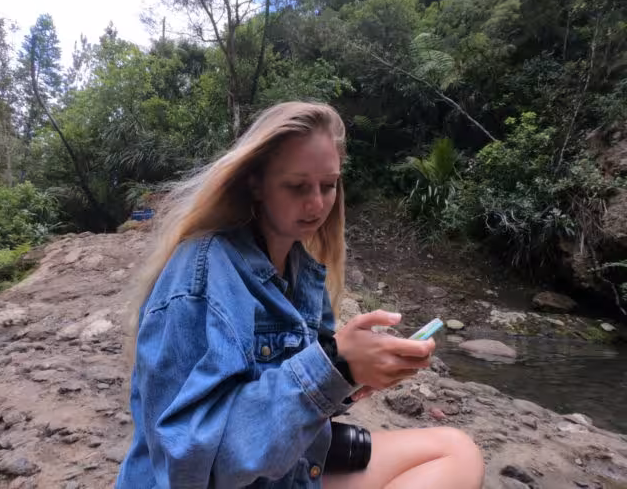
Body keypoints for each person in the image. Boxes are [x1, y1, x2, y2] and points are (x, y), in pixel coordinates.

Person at [115, 102, 485, 489]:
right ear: (255, 183)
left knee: (457, 452)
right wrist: (335, 367)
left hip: (280, 476)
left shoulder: (301, 269)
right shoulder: (202, 277)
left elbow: (297, 401)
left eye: (329, 185)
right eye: (297, 186)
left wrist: (355, 376)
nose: (317, 204)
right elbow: (186, 466)